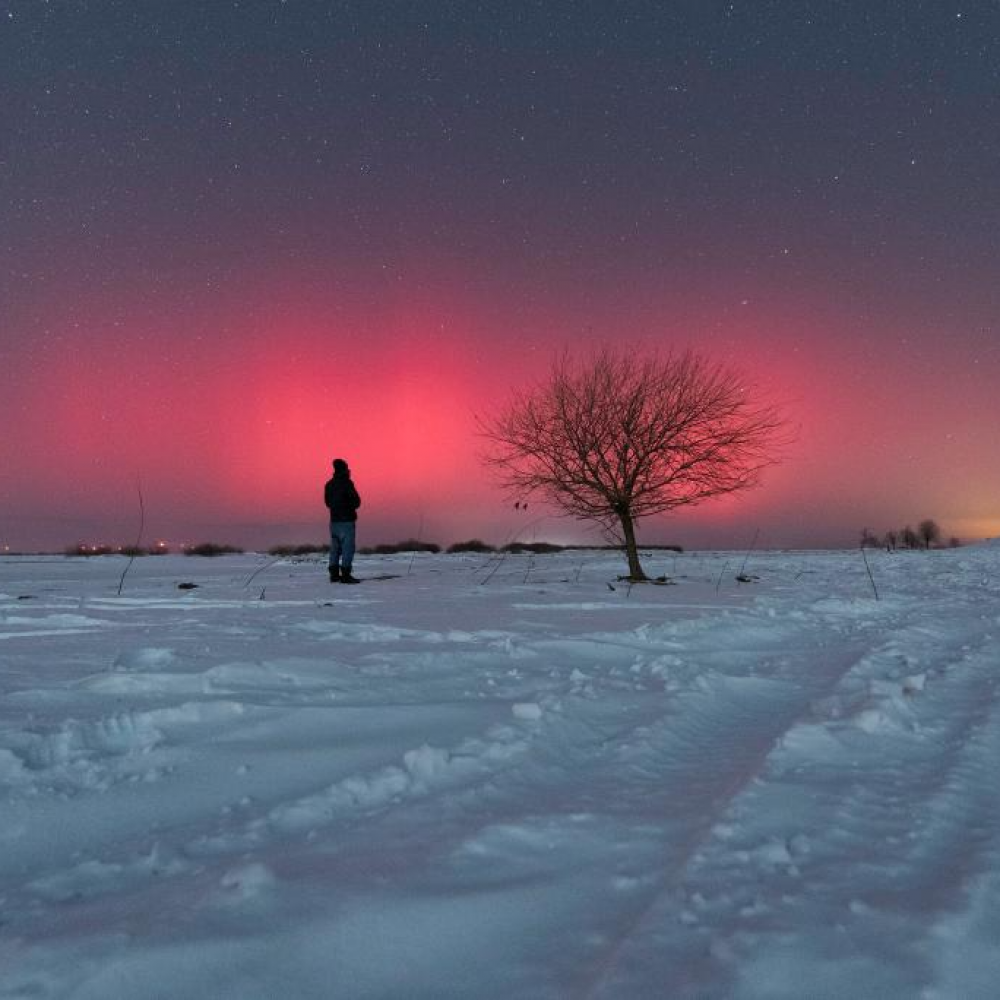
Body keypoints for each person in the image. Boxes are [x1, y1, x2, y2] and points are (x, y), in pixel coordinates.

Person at [324, 458, 361, 583]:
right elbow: (357, 502)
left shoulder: (329, 484)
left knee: (335, 547)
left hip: (334, 522)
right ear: (344, 469)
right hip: (347, 521)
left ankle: (334, 575)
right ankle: (345, 574)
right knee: (347, 548)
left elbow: (328, 503)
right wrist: (348, 506)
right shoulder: (347, 483)